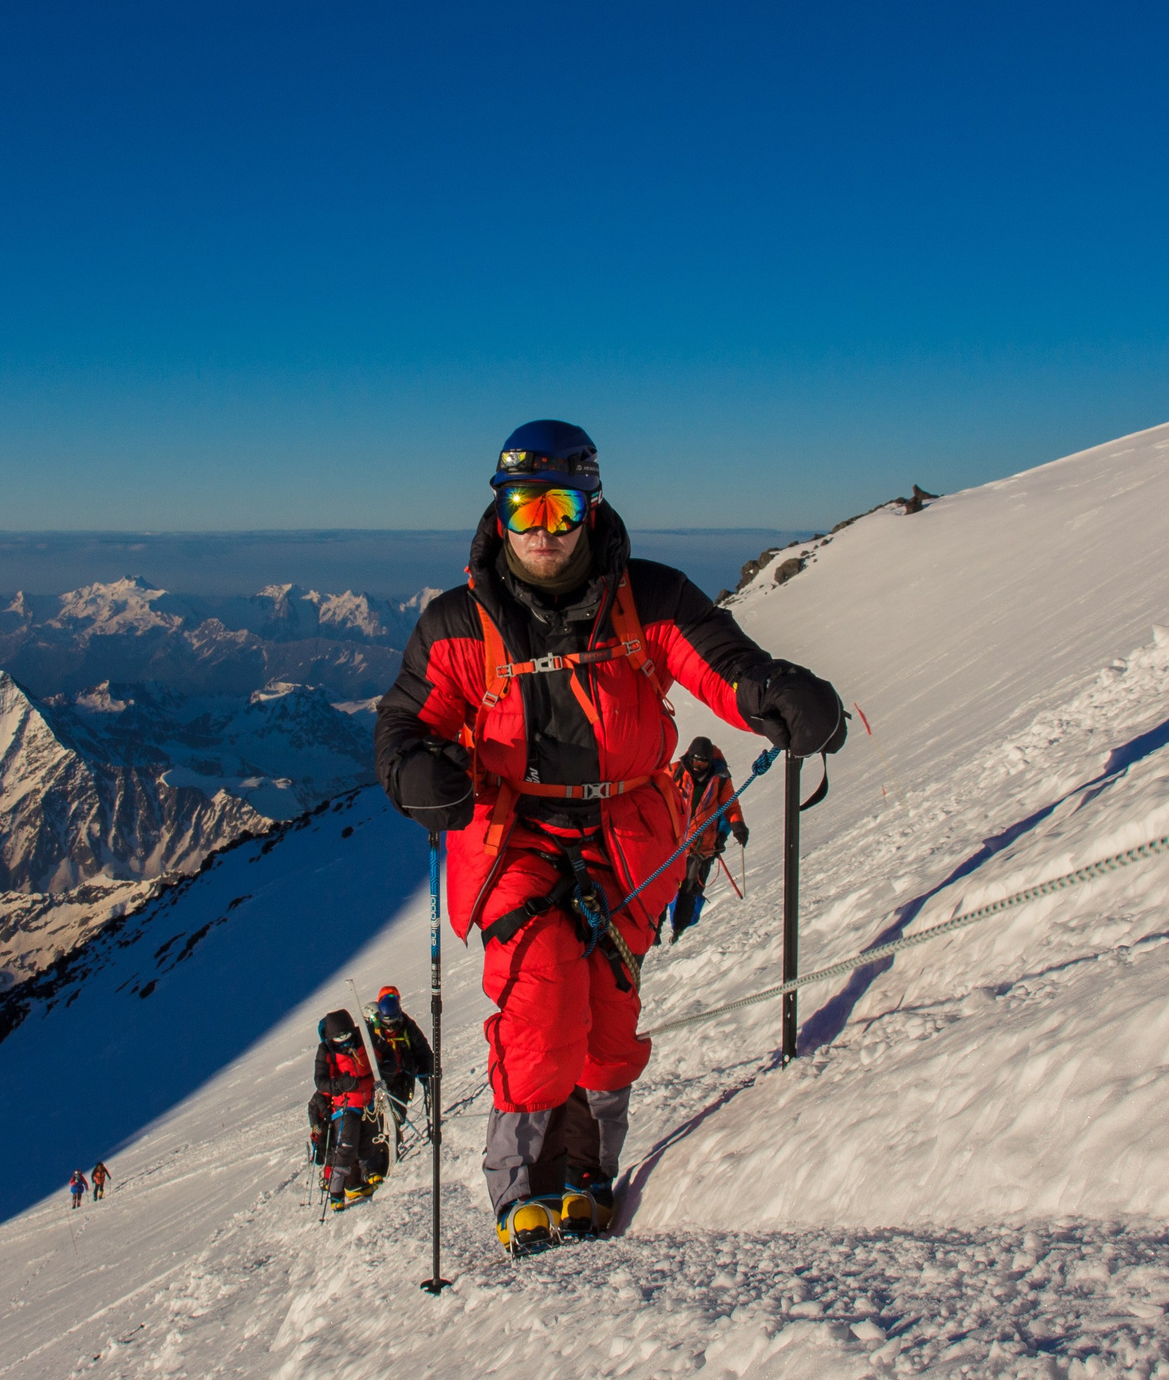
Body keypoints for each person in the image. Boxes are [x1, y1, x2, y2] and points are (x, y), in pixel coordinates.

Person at [374, 419, 844, 1255]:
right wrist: (414, 771)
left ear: (592, 505)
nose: (543, 528)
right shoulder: (458, 623)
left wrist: (773, 693)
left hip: (624, 835)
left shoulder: (649, 598)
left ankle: (588, 1172)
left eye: (561, 506)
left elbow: (718, 662)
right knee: (538, 984)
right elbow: (410, 719)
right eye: (525, 507)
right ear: (501, 511)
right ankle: (523, 1183)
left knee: (607, 1013)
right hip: (512, 832)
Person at [669, 736, 750, 937]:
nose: (699, 767)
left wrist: (738, 825)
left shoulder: (720, 779)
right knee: (664, 885)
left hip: (700, 846)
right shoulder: (676, 771)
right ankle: (656, 932)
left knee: (689, 887)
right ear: (690, 758)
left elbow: (731, 805)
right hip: (673, 843)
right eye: (696, 762)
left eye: (703, 762)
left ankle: (680, 929)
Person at [310, 1008, 388, 1211]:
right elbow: (320, 1081)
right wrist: (340, 1085)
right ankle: (336, 1192)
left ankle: (368, 1174)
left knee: (368, 1141)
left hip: (368, 1101)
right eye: (339, 1038)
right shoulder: (326, 1051)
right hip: (346, 1106)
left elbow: (384, 1055)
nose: (344, 1041)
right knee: (345, 1147)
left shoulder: (364, 1039)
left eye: (346, 1035)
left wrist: (387, 1070)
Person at [364, 985, 436, 1140]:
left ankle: (392, 1141)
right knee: (374, 1118)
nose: (390, 1027)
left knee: (397, 1115)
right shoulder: (372, 1028)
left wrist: (426, 1070)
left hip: (401, 1078)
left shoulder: (407, 1027)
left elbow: (421, 1049)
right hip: (378, 1080)